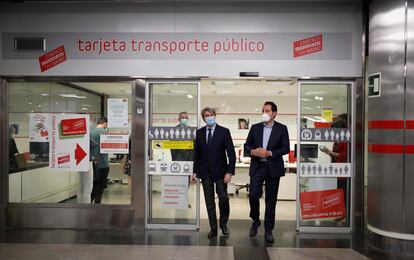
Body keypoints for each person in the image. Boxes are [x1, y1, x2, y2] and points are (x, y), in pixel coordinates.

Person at [244, 101, 290, 243]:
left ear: (274, 113)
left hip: (273, 168)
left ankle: (269, 229)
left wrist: (269, 153)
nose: (265, 113)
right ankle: (256, 220)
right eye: (263, 110)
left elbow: (285, 148)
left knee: (271, 200)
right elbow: (247, 145)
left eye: (268, 110)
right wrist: (253, 151)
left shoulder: (282, 129)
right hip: (257, 167)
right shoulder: (255, 127)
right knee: (253, 195)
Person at [193, 107, 236, 239]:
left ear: (215, 116)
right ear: (203, 118)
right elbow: (196, 154)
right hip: (205, 173)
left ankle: (223, 224)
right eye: (207, 115)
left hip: (221, 172)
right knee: (209, 202)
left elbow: (231, 153)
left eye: (212, 114)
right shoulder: (199, 133)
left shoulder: (224, 132)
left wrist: (230, 172)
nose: (210, 117)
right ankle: (213, 228)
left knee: (223, 198)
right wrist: (194, 171)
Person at [320, 113, 349, 224]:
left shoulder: (347, 136)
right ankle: (343, 214)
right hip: (338, 169)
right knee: (341, 192)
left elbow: (345, 154)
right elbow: (335, 153)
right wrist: (329, 152)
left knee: (346, 192)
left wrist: (331, 152)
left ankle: (347, 216)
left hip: (345, 169)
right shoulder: (338, 137)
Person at [170, 112, 194, 208]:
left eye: (186, 117)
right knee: (179, 181)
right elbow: (172, 147)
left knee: (187, 181)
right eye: (182, 117)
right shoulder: (175, 130)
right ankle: (178, 201)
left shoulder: (191, 130)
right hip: (179, 159)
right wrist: (175, 160)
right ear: (178, 119)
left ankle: (184, 200)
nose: (184, 119)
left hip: (189, 160)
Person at [90, 117, 110, 204]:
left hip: (92, 162)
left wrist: (93, 158)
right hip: (102, 163)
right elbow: (103, 147)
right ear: (104, 123)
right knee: (101, 185)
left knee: (93, 184)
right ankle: (97, 204)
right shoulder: (104, 132)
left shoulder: (90, 132)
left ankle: (89, 201)